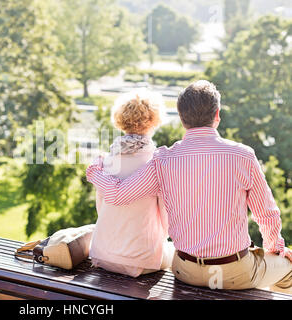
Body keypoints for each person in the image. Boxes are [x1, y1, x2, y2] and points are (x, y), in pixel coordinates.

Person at [86, 80, 291, 292]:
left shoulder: (163, 159)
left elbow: (118, 194)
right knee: (288, 262)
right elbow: (267, 214)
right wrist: (276, 249)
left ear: (182, 119)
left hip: (185, 271)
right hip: (233, 272)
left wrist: (93, 171)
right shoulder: (242, 155)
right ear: (217, 114)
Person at [89, 89, 174, 278]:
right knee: (175, 253)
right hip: (141, 261)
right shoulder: (156, 162)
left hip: (102, 255)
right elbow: (167, 219)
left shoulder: (107, 160)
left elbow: (101, 207)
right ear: (154, 120)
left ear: (121, 120)